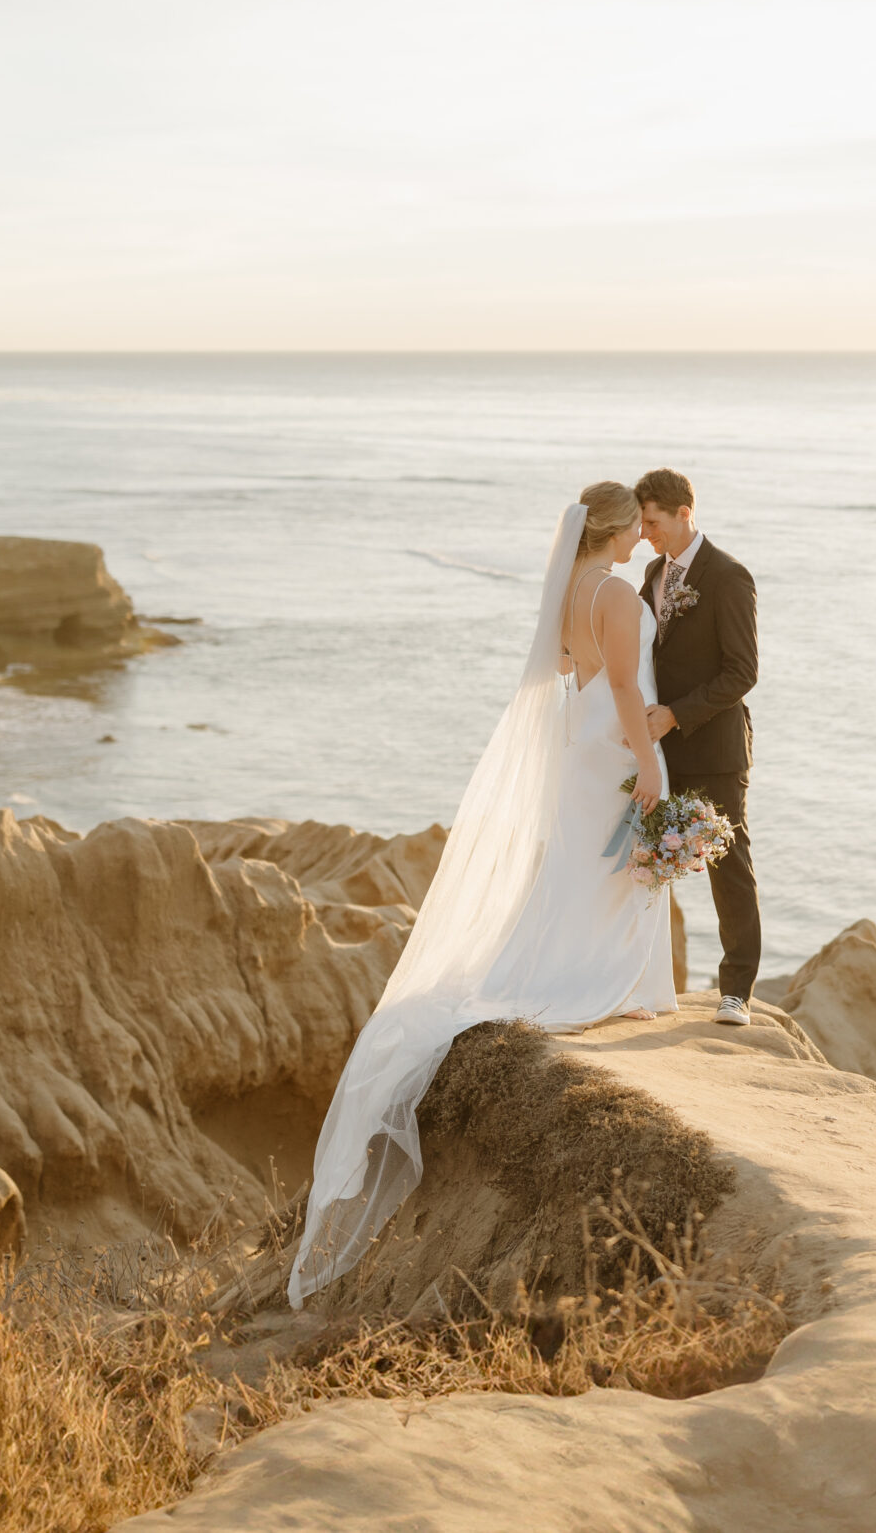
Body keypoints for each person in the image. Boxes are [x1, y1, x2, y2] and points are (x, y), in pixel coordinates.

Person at [288, 482, 677, 1307]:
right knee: (618, 868)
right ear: (614, 533)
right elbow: (617, 687)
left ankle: (606, 976)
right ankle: (613, 984)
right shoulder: (611, 591)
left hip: (579, 745)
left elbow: (572, 671)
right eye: (634, 529)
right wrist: (647, 757)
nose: (644, 538)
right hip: (612, 741)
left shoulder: (569, 590)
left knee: (582, 867)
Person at [633, 468, 762, 1026]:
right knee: (644, 859)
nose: (645, 533)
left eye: (652, 521)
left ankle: (736, 991)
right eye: (640, 523)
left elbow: (742, 672)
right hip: (659, 748)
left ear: (685, 512)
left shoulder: (729, 576)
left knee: (727, 866)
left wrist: (676, 715)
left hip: (712, 748)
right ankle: (640, 978)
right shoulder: (652, 572)